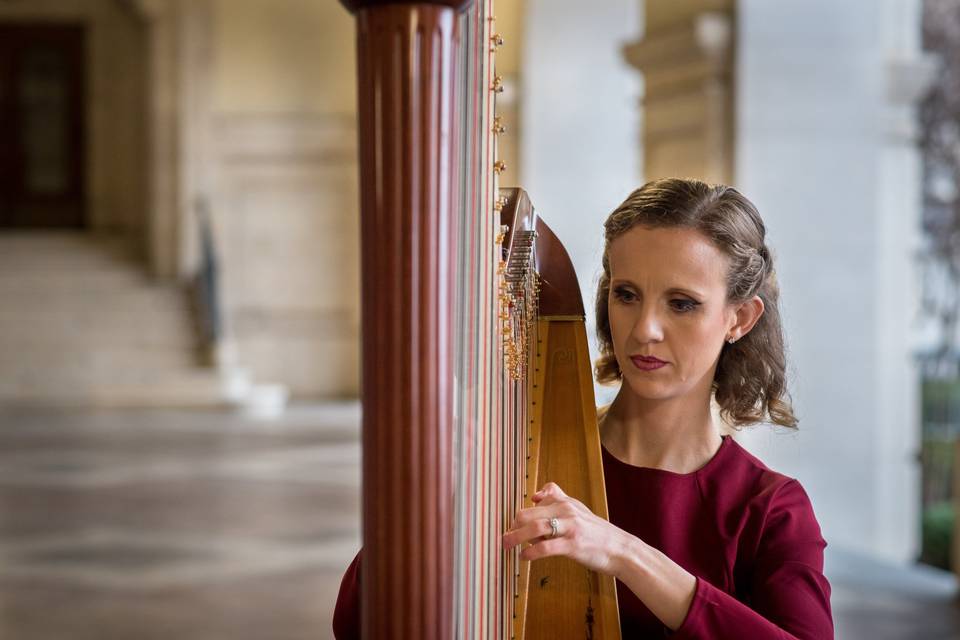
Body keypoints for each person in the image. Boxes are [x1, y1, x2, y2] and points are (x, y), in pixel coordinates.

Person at [333, 177, 834, 639]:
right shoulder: (518, 464)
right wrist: (439, 496)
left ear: (739, 318)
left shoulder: (770, 511)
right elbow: (357, 623)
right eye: (627, 295)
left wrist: (623, 552)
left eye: (681, 303)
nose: (644, 330)